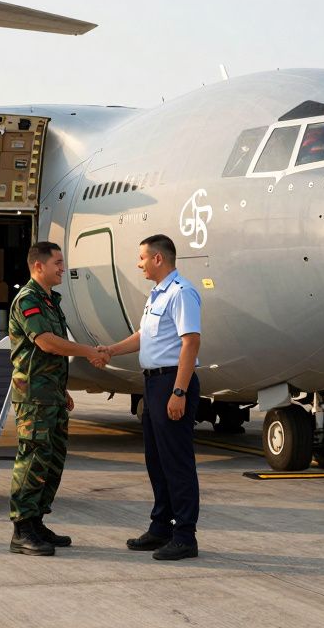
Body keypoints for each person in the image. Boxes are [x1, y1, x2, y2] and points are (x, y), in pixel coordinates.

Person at [100, 234, 202, 560]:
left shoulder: (182, 293)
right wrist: (111, 350)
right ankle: (161, 528)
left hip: (173, 382)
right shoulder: (157, 295)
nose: (138, 263)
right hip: (154, 385)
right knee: (156, 461)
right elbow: (145, 336)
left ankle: (185, 536)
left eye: (142, 257)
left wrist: (179, 392)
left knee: (177, 463)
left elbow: (191, 343)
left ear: (158, 259)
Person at [7, 241, 110, 556]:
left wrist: (61, 387)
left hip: (49, 393)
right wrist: (89, 351)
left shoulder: (51, 301)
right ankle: (21, 529)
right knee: (33, 458)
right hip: (34, 398)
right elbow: (48, 343)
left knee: (51, 461)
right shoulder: (28, 300)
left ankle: (37, 523)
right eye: (58, 263)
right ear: (39, 266)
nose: (62, 268)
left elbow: (50, 355)